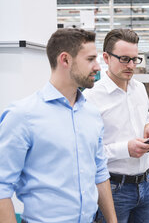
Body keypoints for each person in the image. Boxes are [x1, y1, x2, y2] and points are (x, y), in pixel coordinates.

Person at [0, 28, 117, 223]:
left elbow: (100, 173)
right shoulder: (22, 116)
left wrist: (113, 221)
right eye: (90, 59)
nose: (98, 67)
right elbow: (2, 187)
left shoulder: (92, 114)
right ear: (65, 60)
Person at [83, 28, 149, 223]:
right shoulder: (90, 98)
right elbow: (87, 151)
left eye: (135, 59)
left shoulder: (139, 88)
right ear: (106, 58)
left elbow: (145, 115)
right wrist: (125, 149)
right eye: (124, 59)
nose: (131, 65)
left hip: (146, 184)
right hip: (113, 188)